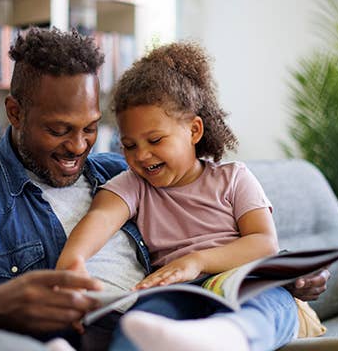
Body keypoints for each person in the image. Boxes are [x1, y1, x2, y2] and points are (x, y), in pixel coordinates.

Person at [0, 28, 330, 350]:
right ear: (15, 113)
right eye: (59, 130)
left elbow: (247, 238)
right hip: (111, 329)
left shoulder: (124, 170)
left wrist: (293, 275)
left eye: (90, 128)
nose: (78, 146)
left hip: (180, 319)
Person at [56, 41, 301, 351]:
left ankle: (231, 339)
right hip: (176, 292)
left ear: (194, 131)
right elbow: (100, 217)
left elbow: (264, 243)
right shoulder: (135, 185)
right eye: (129, 146)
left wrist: (196, 262)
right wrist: (72, 260)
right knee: (140, 321)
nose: (142, 156)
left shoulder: (234, 179)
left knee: (275, 304)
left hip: (238, 283)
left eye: (155, 140)